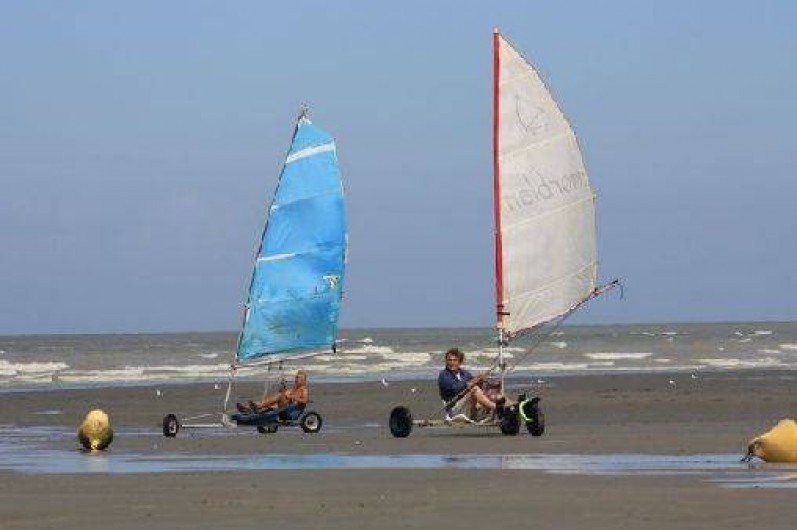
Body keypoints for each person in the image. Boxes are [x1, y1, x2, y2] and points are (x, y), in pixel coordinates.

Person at [437, 348, 504, 419]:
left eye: (455, 360)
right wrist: (469, 383)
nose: (451, 363)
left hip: (468, 405)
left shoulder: (465, 374)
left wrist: (481, 380)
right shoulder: (443, 375)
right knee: (474, 389)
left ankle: (509, 407)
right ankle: (496, 408)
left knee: (493, 393)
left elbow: (475, 383)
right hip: (454, 407)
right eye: (449, 360)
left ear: (460, 362)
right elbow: (455, 388)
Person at [236, 370, 309, 417]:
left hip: (291, 410)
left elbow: (305, 400)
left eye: (298, 378)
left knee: (279, 396)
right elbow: (286, 394)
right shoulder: (295, 388)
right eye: (295, 378)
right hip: (285, 406)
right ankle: (248, 409)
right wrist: (283, 388)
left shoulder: (304, 389)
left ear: (303, 380)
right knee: (270, 402)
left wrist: (292, 397)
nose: (295, 380)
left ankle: (256, 406)